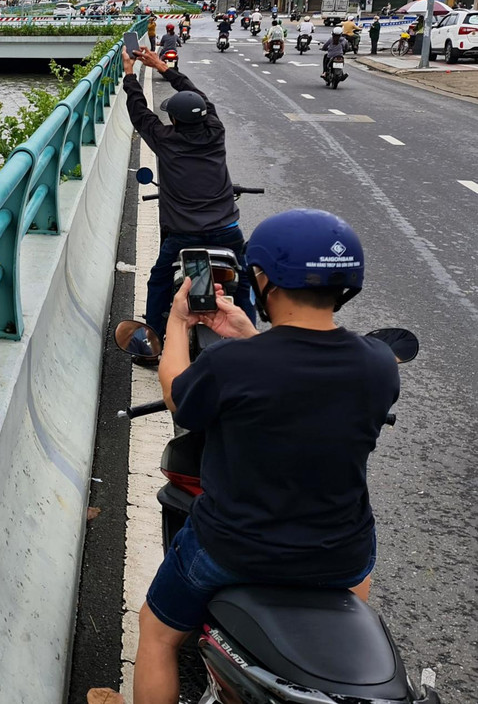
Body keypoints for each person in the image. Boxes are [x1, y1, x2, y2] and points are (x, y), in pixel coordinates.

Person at [131, 209, 396, 704]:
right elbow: (302, 380)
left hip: (232, 549)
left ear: (265, 278)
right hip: (340, 554)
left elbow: (177, 393)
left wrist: (176, 318)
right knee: (354, 604)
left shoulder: (234, 366)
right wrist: (249, 335)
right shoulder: (378, 364)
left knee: (158, 635)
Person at [120, 47, 256, 338]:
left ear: (176, 121)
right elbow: (197, 93)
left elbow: (139, 111)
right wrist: (161, 66)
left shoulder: (165, 139)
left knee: (159, 279)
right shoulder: (215, 131)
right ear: (204, 117)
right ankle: (252, 337)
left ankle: (153, 341)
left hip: (183, 233)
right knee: (244, 280)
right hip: (226, 229)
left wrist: (130, 72)